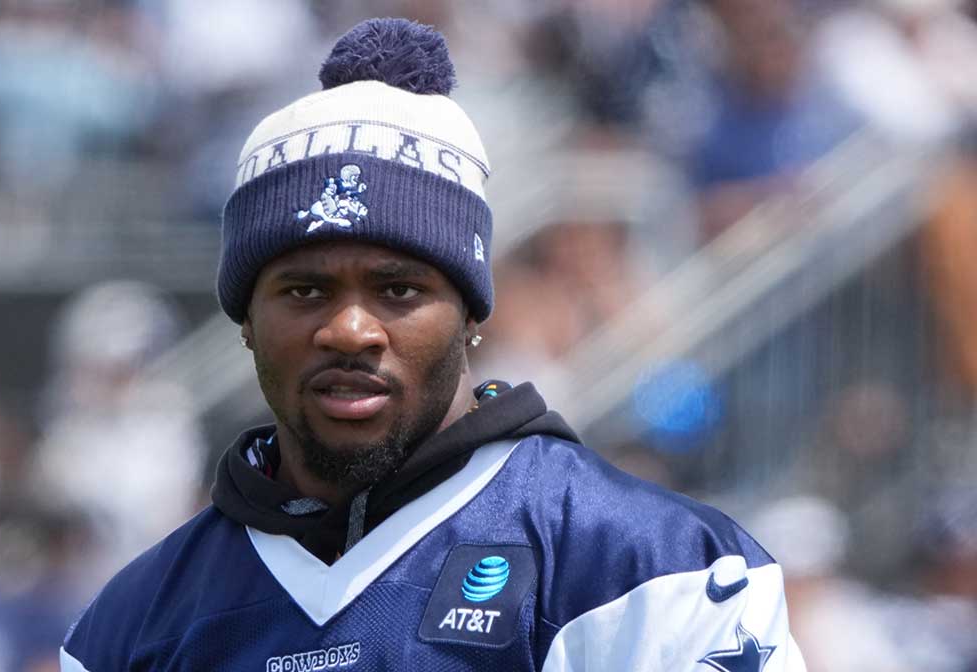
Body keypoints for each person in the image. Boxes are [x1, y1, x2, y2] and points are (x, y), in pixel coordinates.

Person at [61, 18, 806, 671]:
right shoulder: (129, 629)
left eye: (398, 289)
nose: (350, 330)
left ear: (471, 311)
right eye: (305, 291)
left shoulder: (650, 569)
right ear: (246, 319)